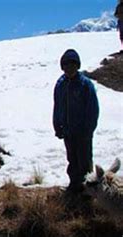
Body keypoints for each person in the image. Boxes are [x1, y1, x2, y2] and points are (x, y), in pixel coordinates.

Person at [53, 49, 99, 192]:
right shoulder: (60, 84)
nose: (69, 68)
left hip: (83, 131)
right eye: (66, 65)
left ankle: (87, 191)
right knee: (72, 160)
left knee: (84, 160)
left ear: (77, 66)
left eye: (72, 64)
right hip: (67, 131)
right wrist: (57, 126)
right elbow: (57, 106)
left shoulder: (85, 84)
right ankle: (74, 186)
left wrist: (88, 129)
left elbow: (93, 110)